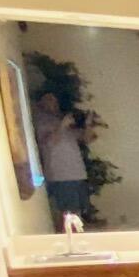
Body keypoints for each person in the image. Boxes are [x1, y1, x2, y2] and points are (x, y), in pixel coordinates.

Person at [37, 94, 92, 229]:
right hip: (61, 176)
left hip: (77, 174)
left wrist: (88, 124)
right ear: (42, 104)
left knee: (77, 214)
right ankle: (67, 238)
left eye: (55, 101)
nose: (54, 104)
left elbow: (86, 139)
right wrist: (62, 125)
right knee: (66, 215)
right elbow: (49, 142)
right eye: (49, 100)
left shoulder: (63, 122)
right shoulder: (42, 122)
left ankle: (77, 237)